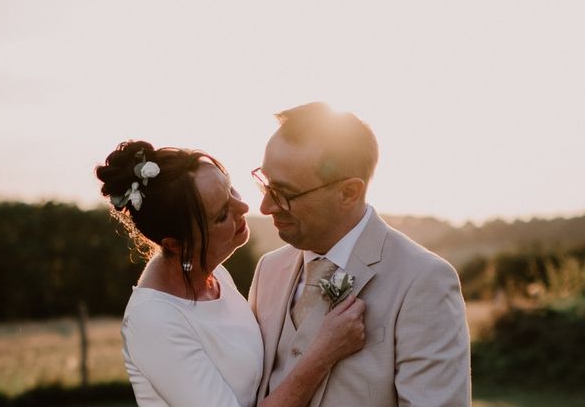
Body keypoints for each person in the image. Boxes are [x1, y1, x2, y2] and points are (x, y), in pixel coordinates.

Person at [95, 140, 366, 407]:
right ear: (176, 245)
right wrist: (323, 353)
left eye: (231, 189)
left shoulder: (216, 277)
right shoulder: (154, 320)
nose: (244, 207)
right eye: (223, 214)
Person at [249, 103, 471, 407]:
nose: (266, 208)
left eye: (285, 194)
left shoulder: (423, 280)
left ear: (349, 193)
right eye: (266, 185)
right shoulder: (268, 270)